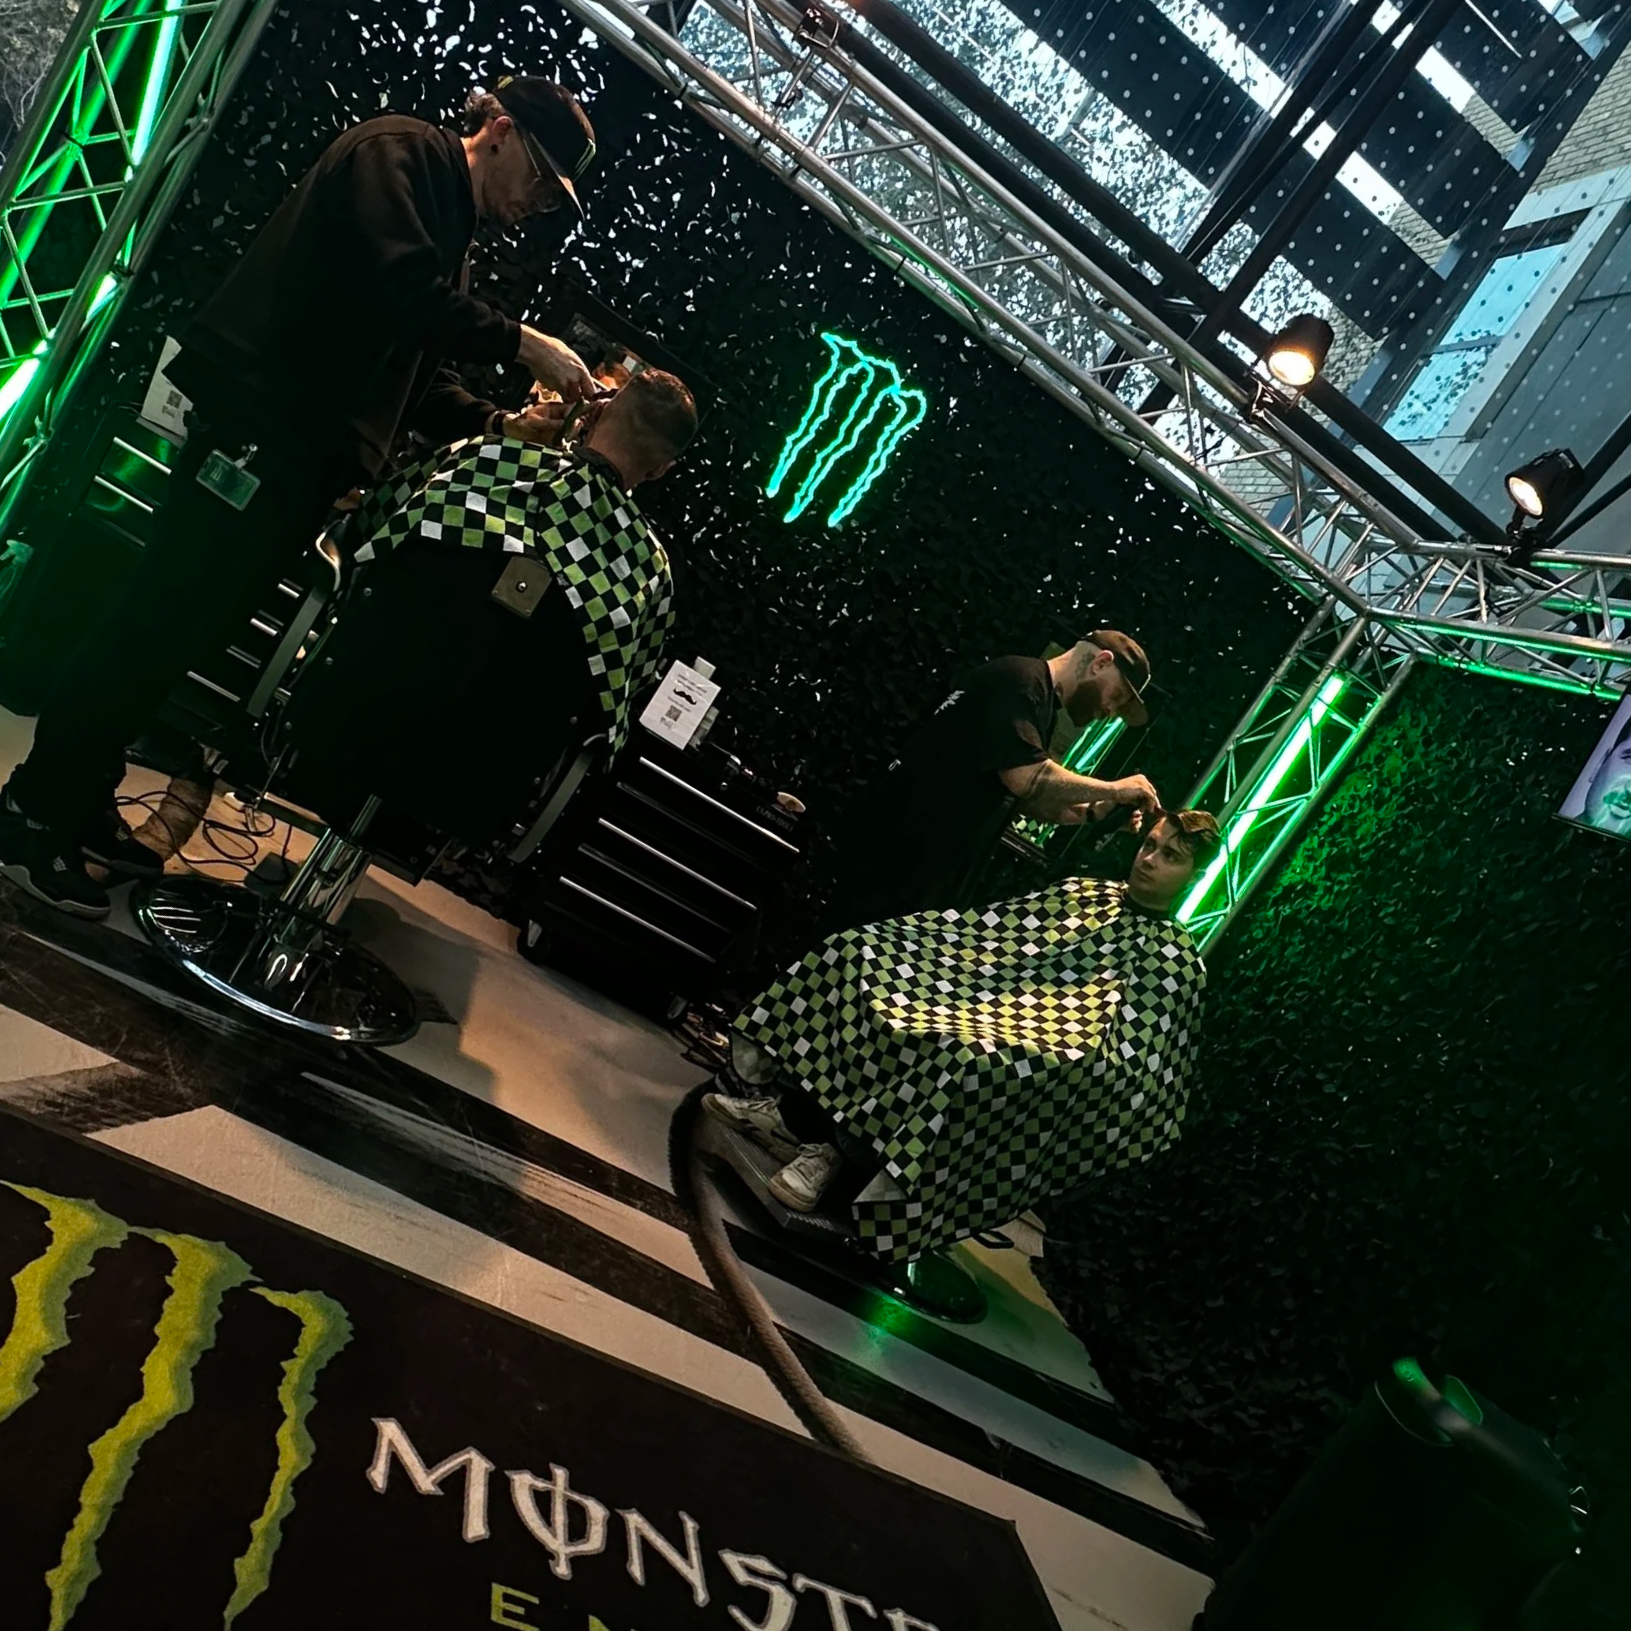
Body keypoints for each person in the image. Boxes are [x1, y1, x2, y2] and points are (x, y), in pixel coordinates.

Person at [0, 76, 603, 917]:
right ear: (498, 129)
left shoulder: (449, 229)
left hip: (295, 451)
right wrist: (520, 344)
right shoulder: (400, 154)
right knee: (153, 619)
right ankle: (34, 808)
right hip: (263, 426)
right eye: (539, 177)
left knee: (181, 631)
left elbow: (412, 371)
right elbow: (400, 293)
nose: (538, 202)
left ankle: (77, 786)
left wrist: (500, 423)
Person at [704, 808, 1219, 1264]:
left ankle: (834, 1152)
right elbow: (991, 939)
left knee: (964, 1053)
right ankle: (791, 1106)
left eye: (1170, 856)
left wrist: (1059, 1053)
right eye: (1149, 844)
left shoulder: (1175, 964)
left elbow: (1139, 1078)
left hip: (1036, 1051)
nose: (1149, 860)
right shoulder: (1084, 894)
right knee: (856, 951)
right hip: (980, 994)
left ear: (1195, 877)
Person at [287, 370, 696, 820]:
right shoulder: (650, 574)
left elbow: (369, 528)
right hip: (476, 793)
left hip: (343, 711)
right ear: (660, 470)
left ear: (594, 412)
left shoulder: (485, 460)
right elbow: (616, 694)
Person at [828, 633, 1161, 931]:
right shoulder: (1021, 682)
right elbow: (1026, 778)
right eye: (1117, 697)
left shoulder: (1040, 706)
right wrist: (1115, 788)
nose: (1110, 710)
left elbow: (1032, 799)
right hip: (889, 865)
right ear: (1101, 662)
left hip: (914, 878)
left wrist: (1096, 811)